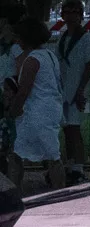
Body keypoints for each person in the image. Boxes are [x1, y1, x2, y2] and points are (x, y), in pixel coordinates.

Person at [6, 18, 66, 191]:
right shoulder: (49, 56)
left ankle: (14, 191)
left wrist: (14, 110)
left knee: (25, 155)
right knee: (48, 153)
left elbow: (23, 91)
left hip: (37, 112)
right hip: (50, 109)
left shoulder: (32, 60)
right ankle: (58, 189)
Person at [54, 0, 90, 175]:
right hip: (63, 89)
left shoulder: (85, 38)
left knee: (75, 129)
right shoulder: (63, 38)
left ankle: (79, 167)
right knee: (67, 129)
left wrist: (81, 90)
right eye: (67, 12)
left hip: (77, 89)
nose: (71, 16)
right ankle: (70, 164)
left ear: (81, 15)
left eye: (75, 12)